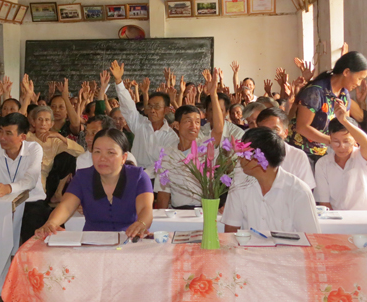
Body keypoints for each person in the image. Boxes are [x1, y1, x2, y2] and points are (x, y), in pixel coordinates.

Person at [35, 128, 154, 238]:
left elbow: (145, 208)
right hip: (92, 242)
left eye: (110, 153)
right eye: (97, 152)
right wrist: (52, 223)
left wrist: (141, 223)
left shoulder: (138, 177)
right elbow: (66, 206)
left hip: (128, 239)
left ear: (124, 157)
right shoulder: (83, 177)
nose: (102, 158)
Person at [222, 127, 320, 233]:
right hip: (248, 249)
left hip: (289, 249)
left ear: (260, 158)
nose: (240, 158)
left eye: (244, 153)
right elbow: (230, 232)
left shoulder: (299, 191)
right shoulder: (239, 185)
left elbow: (312, 238)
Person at [154, 68, 224, 209]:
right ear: (177, 125)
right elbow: (163, 193)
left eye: (197, 122)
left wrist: (213, 94)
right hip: (177, 212)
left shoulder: (205, 146)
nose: (194, 126)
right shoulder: (167, 154)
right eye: (188, 121)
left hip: (204, 211)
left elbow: (218, 129)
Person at [0, 113, 47, 243]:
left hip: (31, 201)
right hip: (3, 202)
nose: (2, 137)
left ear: (22, 137)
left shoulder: (34, 149)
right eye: (1, 131)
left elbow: (31, 180)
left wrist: (9, 188)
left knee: (33, 224)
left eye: (8, 133)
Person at [287, 52, 367, 165]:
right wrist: (333, 141)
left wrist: (349, 140)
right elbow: (302, 127)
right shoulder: (316, 92)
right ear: (346, 72)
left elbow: (344, 126)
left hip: (324, 152)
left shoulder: (344, 95)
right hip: (301, 152)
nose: (359, 84)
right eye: (359, 78)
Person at [110, 60, 179, 179]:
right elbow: (128, 107)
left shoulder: (171, 137)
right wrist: (119, 81)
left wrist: (143, 176)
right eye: (150, 106)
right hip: (134, 172)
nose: (152, 110)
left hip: (156, 179)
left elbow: (164, 161)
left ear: (166, 110)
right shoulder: (140, 123)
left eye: (157, 107)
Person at [314, 100, 367, 210]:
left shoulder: (361, 156)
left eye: (346, 141)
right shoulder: (323, 164)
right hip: (336, 219)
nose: (341, 147)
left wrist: (344, 121)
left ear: (355, 141)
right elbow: (324, 203)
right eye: (336, 141)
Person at [26, 106, 84, 198]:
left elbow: (81, 152)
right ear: (33, 122)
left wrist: (59, 136)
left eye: (47, 120)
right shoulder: (26, 137)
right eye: (39, 119)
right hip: (25, 174)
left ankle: (57, 194)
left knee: (69, 157)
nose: (43, 123)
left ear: (51, 124)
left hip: (44, 178)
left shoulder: (55, 141)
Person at [256, 108, 315, 189]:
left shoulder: (298, 156)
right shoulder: (249, 156)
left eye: (275, 130)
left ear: (285, 133)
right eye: (264, 130)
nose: (270, 135)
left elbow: (306, 192)